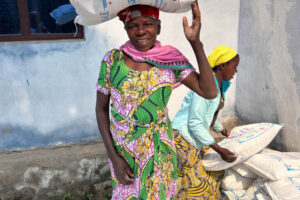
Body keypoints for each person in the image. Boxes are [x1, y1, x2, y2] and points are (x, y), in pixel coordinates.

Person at [95, 2, 217, 199]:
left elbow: (209, 92)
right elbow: (101, 110)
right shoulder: (113, 60)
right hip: (125, 153)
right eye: (133, 25)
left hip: (160, 151)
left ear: (158, 27)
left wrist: (196, 43)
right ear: (125, 29)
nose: (141, 31)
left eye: (147, 24)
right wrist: (114, 158)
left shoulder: (171, 61)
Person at [172, 45, 240, 199]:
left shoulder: (219, 86)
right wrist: (219, 150)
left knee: (214, 173)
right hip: (183, 138)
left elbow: (209, 116)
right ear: (222, 65)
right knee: (194, 186)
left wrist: (221, 130)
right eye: (234, 67)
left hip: (194, 137)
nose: (236, 71)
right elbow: (195, 123)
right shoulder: (206, 87)